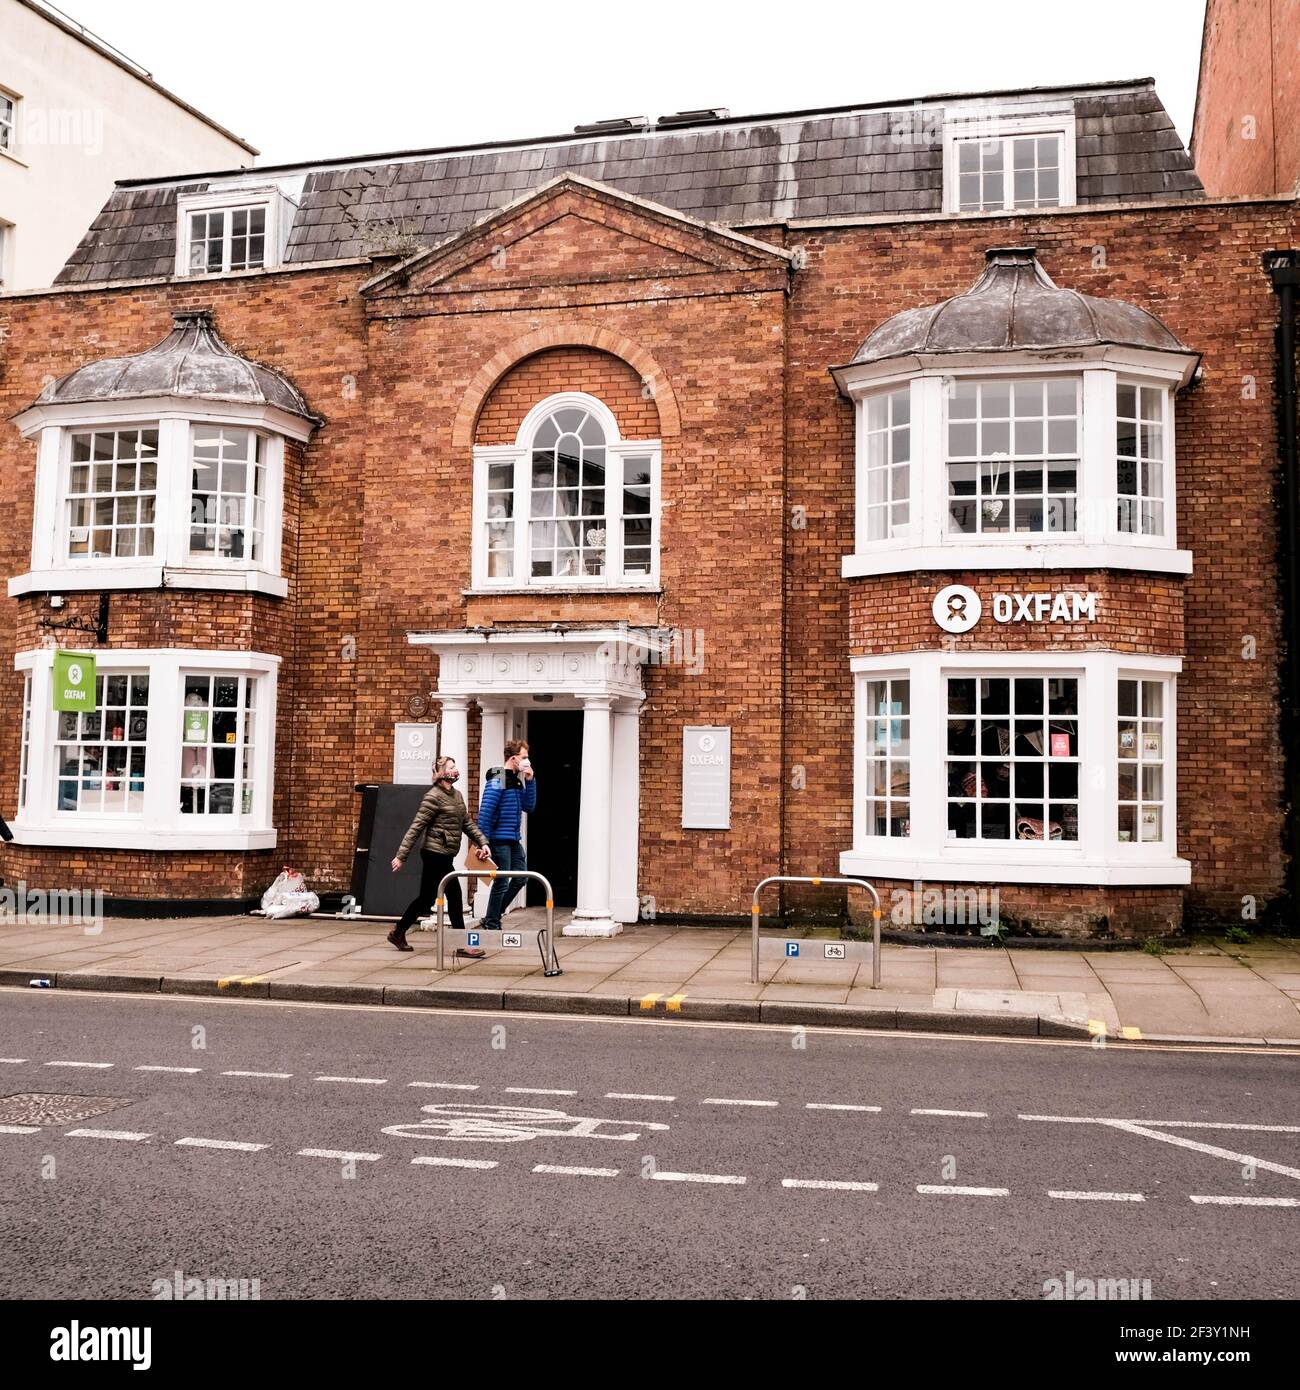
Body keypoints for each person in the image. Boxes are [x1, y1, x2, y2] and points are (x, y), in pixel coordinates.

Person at [388, 755, 491, 953]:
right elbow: (416, 827)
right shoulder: (432, 796)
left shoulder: (457, 795)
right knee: (454, 895)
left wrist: (483, 842)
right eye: (451, 767)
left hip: (446, 854)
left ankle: (398, 932)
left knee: (425, 899)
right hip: (434, 853)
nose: (455, 770)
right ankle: (464, 944)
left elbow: (467, 823)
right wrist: (401, 856)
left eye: (455, 767)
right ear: (442, 772)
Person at [477, 738, 536, 931]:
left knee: (521, 877)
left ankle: (492, 916)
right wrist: (482, 842)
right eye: (524, 757)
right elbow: (486, 810)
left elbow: (529, 806)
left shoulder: (517, 780)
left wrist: (530, 780)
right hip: (499, 839)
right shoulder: (499, 778)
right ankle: (492, 922)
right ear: (513, 758)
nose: (527, 761)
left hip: (513, 839)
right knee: (501, 882)